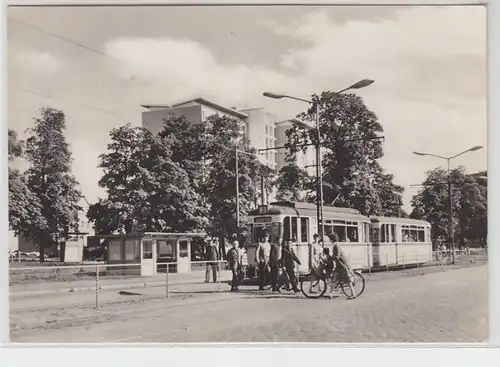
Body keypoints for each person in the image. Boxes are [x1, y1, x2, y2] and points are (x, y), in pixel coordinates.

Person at [328, 233, 356, 300]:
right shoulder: (335, 245)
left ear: (332, 239)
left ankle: (353, 294)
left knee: (347, 280)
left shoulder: (336, 245)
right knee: (335, 279)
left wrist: (331, 257)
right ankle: (330, 293)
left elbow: (337, 256)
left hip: (342, 265)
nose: (329, 240)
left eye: (329, 238)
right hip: (339, 265)